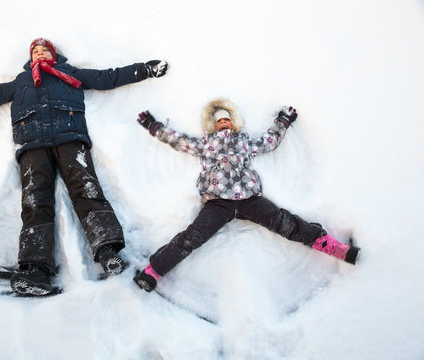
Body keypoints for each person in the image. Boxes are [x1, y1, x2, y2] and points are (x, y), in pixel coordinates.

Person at [0, 37, 168, 296]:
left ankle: (108, 251)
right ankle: (35, 270)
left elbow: (107, 77)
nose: (39, 54)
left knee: (86, 190)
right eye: (35, 52)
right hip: (32, 146)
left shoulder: (69, 73)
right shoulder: (20, 82)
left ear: (54, 55)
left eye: (44, 51)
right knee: (34, 203)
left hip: (70, 139)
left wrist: (144, 69)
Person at [133, 97, 360, 292]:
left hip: (249, 199)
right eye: (219, 121)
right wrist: (155, 126)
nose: (223, 123)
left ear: (233, 123)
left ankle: (330, 246)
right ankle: (154, 272)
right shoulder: (206, 144)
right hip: (218, 202)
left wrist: (282, 122)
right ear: (213, 125)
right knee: (193, 237)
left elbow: (268, 142)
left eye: (227, 120)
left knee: (284, 222)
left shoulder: (244, 142)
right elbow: (180, 141)